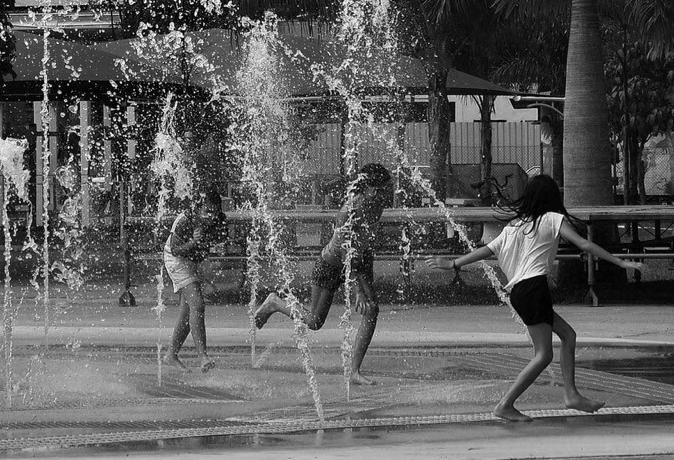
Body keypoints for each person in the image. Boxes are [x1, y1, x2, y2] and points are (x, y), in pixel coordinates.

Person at [426, 174, 645, 422]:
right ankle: (505, 404)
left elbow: (487, 250)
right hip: (533, 288)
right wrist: (620, 262)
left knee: (568, 335)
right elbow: (584, 245)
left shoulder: (516, 225)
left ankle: (571, 395)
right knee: (544, 355)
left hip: (520, 292)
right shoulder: (553, 219)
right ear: (552, 197)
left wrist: (453, 263)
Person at [253, 163, 393, 386]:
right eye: (385, 188)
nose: (389, 192)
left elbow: (365, 243)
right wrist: (358, 289)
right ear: (371, 189)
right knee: (315, 321)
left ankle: (353, 371)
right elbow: (347, 251)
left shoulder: (376, 205)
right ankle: (275, 303)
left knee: (372, 310)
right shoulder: (348, 212)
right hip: (330, 264)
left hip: (359, 261)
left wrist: (366, 276)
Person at [162, 189, 228, 373]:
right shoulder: (185, 220)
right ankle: (203, 357)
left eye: (214, 211)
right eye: (207, 211)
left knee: (187, 312)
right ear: (199, 207)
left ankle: (171, 355)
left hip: (192, 261)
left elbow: (220, 238)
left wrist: (217, 242)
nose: (211, 216)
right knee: (198, 304)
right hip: (176, 260)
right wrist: (193, 242)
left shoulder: (219, 219)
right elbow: (175, 250)